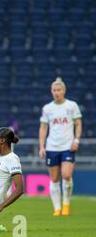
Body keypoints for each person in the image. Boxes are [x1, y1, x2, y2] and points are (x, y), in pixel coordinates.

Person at [39, 77, 82, 216]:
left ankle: (66, 204)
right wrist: (42, 146)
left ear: (64, 91)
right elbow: (43, 128)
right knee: (54, 179)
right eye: (54, 90)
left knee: (67, 175)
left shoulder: (72, 106)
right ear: (51, 92)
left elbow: (78, 124)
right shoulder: (47, 108)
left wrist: (76, 140)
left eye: (59, 90)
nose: (56, 92)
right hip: (52, 147)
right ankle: (57, 208)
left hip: (67, 146)